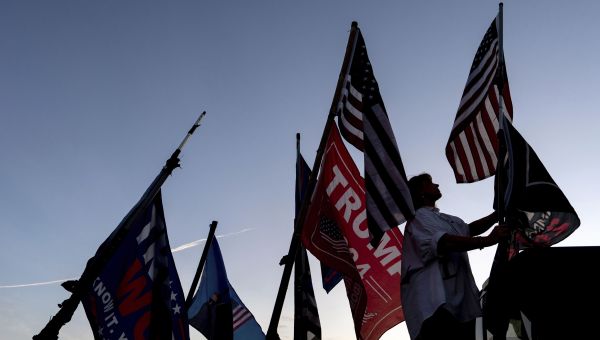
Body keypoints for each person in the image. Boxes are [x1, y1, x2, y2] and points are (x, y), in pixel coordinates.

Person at [401, 173, 510, 340]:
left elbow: (468, 229)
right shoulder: (418, 218)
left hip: (461, 308)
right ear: (420, 192)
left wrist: (497, 214)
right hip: (434, 307)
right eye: (430, 183)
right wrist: (487, 240)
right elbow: (444, 242)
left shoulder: (443, 219)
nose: (437, 184)